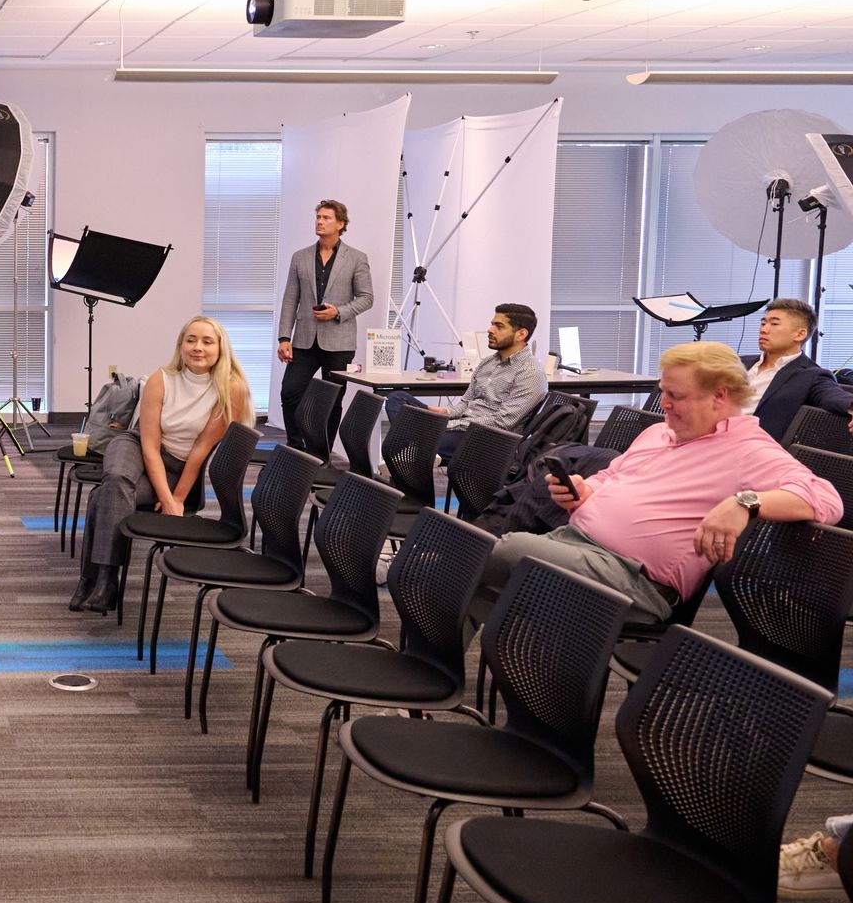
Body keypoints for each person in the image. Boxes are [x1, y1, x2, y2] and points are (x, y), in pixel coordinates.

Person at [479, 341, 842, 626]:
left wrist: (744, 503)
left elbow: (827, 499)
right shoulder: (660, 432)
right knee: (472, 566)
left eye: (676, 396)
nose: (663, 404)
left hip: (634, 580)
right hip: (577, 547)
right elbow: (610, 477)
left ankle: (436, 669)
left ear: (720, 395)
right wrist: (584, 491)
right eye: (662, 391)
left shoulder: (748, 450)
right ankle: (435, 669)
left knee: (498, 553)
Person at [69, 315, 254, 614]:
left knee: (103, 495)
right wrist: (165, 499)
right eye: (190, 340)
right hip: (136, 446)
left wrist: (178, 497)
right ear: (180, 345)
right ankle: (106, 579)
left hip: (177, 468)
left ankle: (93, 578)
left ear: (221, 348)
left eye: (207, 341)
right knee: (116, 478)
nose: (198, 347)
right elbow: (150, 446)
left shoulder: (231, 389)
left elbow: (200, 451)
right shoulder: (161, 379)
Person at [382, 304, 547, 459]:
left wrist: (447, 425)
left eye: (499, 326)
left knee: (408, 441)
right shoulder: (488, 362)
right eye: (492, 324)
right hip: (462, 425)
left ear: (521, 334)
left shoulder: (530, 372)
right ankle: (414, 439)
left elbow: (502, 422)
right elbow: (465, 403)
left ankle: (412, 442)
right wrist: (443, 413)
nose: (490, 330)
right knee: (397, 398)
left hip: (487, 438)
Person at [277, 199, 372, 455]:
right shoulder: (300, 257)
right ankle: (296, 446)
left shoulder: (356, 258)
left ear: (341, 224)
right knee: (290, 392)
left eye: (326, 218)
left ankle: (322, 454)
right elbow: (290, 299)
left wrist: (338, 312)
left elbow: (366, 298)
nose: (320, 221)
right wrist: (284, 337)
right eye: (318, 217)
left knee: (332, 400)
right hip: (304, 340)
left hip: (339, 342)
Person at [740, 298, 850, 444]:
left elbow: (834, 396)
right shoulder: (737, 362)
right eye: (763, 323)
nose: (764, 329)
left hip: (752, 450)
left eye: (774, 324)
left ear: (800, 334)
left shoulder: (812, 375)